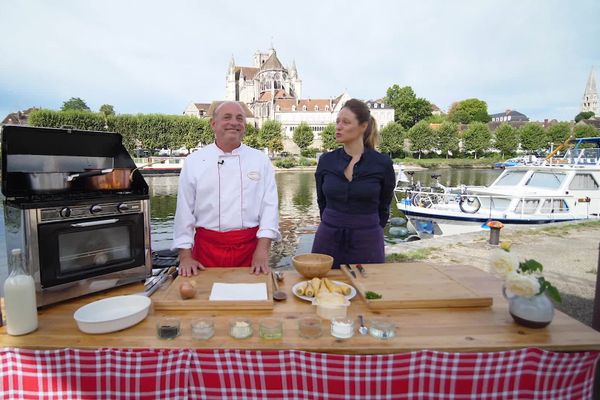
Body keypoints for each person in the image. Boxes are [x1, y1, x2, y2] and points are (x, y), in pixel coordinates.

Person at [172, 101, 281, 276]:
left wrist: (262, 251)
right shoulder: (194, 161)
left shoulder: (260, 160)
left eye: (240, 118)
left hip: (251, 251)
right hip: (206, 251)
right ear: (213, 124)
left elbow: (270, 209)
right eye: (227, 117)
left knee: (251, 301)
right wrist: (185, 257)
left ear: (244, 126)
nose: (234, 122)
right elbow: (184, 212)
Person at [311, 98, 396, 268]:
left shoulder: (382, 163)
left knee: (369, 289)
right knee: (323, 288)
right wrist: (334, 221)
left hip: (368, 240)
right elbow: (322, 202)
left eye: (346, 122)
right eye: (337, 121)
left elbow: (384, 205)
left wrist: (370, 228)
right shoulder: (326, 161)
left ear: (363, 126)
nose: (339, 126)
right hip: (328, 237)